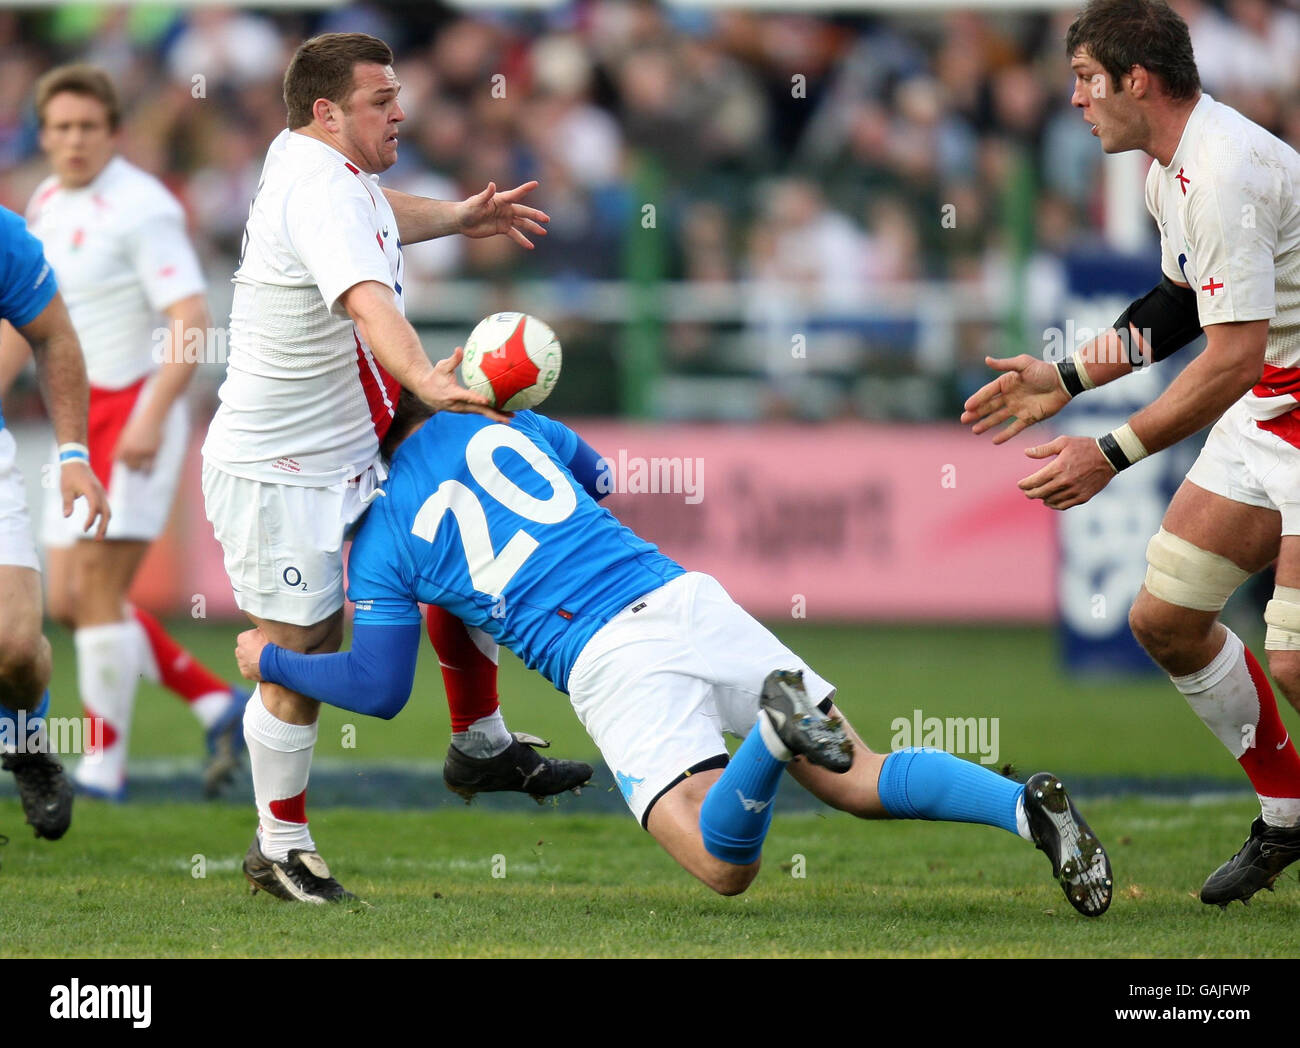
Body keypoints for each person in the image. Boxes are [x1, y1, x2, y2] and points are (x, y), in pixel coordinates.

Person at [234, 394, 1114, 915]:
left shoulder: (385, 534)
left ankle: (771, 740)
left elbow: (379, 689)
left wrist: (267, 661)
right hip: (690, 598)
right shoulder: (500, 420)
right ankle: (1024, 810)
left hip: (608, 656)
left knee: (723, 866)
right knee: (860, 776)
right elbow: (600, 478)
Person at [201, 32, 585, 905]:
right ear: (328, 113)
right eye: (382, 100)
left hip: (344, 451)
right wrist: (425, 382)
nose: (401, 111)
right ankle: (280, 846)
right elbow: (369, 300)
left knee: (455, 549)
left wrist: (457, 215)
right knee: (304, 649)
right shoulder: (316, 188)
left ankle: (480, 744)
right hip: (279, 471)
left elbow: (376, 211)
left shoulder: (320, 166)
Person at [960, 0, 1300, 907]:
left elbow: (1228, 357)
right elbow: (1182, 305)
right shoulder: (1171, 170)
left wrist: (1106, 453)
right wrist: (1064, 379)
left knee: (1298, 657)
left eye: (1085, 80)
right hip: (1275, 404)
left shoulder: (1223, 169)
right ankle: (1289, 814)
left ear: (1136, 80)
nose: (1074, 100)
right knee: (1165, 619)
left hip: (1292, 402)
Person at [0, 64, 249, 800]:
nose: (73, 140)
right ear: (43, 136)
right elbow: (32, 320)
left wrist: (152, 413)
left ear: (113, 131)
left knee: (99, 591)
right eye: (60, 128)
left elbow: (190, 322)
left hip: (136, 408)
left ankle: (102, 767)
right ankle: (214, 701)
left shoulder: (144, 209)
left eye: (88, 127)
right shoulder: (42, 201)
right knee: (71, 601)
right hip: (83, 413)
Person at [0, 203, 111, 839]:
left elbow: (53, 334)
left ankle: (24, 736)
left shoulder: (5, 237)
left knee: (15, 649)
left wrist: (73, 455)